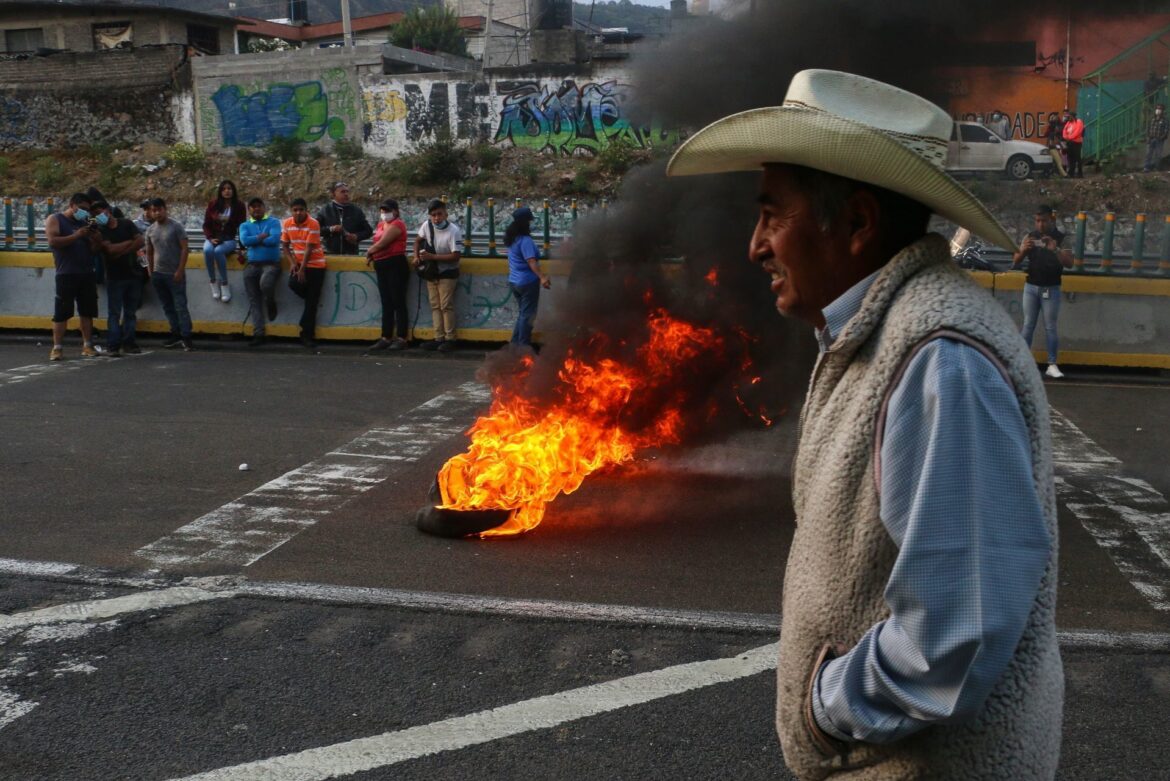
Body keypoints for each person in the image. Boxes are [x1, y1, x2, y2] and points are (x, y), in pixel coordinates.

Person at [667, 70, 1062, 780]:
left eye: (772, 215)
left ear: (855, 222)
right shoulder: (873, 336)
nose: (755, 246)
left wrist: (822, 709)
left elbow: (954, 636)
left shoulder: (941, 362)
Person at [1012, 205, 1074, 379]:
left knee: (1050, 327)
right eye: (1037, 221)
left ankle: (1052, 364)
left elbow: (1069, 262)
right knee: (1028, 325)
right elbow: (1015, 261)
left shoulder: (1061, 238)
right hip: (1031, 286)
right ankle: (1022, 363)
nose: (1040, 225)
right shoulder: (1030, 236)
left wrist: (1054, 249)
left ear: (1051, 220)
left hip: (1051, 287)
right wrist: (1024, 250)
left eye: (1044, 221)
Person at [45, 192, 100, 361]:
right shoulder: (55, 219)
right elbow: (53, 241)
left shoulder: (87, 223)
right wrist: (76, 236)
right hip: (66, 273)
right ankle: (57, 347)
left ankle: (87, 345)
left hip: (86, 272)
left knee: (87, 311)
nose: (84, 212)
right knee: (62, 312)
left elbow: (95, 250)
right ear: (72, 205)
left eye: (87, 210)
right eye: (82, 209)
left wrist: (94, 238)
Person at [92, 201, 143, 358]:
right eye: (95, 216)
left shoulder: (126, 223)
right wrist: (129, 243)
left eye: (100, 213)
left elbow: (140, 241)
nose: (98, 217)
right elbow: (109, 249)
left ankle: (129, 343)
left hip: (133, 274)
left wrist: (121, 250)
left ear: (108, 211)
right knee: (114, 313)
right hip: (114, 276)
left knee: (130, 312)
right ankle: (113, 345)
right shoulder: (101, 231)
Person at [413, 198, 463, 353]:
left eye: (439, 214)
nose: (436, 218)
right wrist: (416, 256)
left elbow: (456, 256)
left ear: (446, 214)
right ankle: (438, 337)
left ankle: (450, 338)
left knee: (446, 305)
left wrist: (432, 257)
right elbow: (417, 241)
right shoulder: (427, 226)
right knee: (435, 305)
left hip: (447, 272)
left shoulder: (454, 231)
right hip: (432, 272)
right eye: (433, 215)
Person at [145, 198, 193, 351]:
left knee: (180, 306)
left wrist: (180, 270)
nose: (157, 213)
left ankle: (186, 336)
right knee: (167, 306)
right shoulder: (150, 230)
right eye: (154, 210)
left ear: (165, 209)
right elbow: (150, 252)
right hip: (158, 274)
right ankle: (175, 333)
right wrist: (150, 271)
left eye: (160, 209)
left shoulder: (176, 227)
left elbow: (185, 248)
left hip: (174, 273)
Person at [364, 199, 410, 352]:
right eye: (383, 211)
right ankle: (386, 336)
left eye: (388, 210)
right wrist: (373, 254)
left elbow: (383, 243)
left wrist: (370, 252)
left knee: (398, 301)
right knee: (386, 302)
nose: (385, 214)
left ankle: (402, 337)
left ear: (396, 211)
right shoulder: (380, 225)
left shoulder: (398, 225)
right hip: (381, 264)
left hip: (395, 264)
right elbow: (377, 242)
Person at [282, 197, 327, 349]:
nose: (298, 213)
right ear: (291, 211)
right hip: (300, 263)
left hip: (315, 265)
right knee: (294, 285)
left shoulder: (313, 223)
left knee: (312, 303)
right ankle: (306, 323)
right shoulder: (287, 223)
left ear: (306, 210)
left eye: (301, 210)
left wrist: (302, 269)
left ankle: (307, 335)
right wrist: (293, 263)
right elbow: (285, 246)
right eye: (295, 210)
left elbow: (309, 248)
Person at [238, 197, 283, 347]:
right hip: (252, 265)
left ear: (264, 208)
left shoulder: (274, 222)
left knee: (266, 284)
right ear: (249, 210)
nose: (256, 209)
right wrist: (261, 237)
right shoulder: (244, 225)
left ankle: (270, 301)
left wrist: (255, 240)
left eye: (259, 206)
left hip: (271, 264)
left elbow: (275, 240)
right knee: (253, 300)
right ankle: (259, 333)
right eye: (253, 207)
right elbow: (244, 241)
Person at [504, 205, 551, 348]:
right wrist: (542, 277)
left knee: (523, 314)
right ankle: (523, 347)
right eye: (529, 222)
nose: (531, 224)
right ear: (525, 223)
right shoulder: (525, 241)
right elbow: (531, 261)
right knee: (528, 315)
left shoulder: (512, 238)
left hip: (514, 281)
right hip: (527, 283)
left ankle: (515, 344)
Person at [201, 179, 247, 303]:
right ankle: (213, 281)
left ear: (233, 191)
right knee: (207, 250)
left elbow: (242, 227)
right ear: (220, 191)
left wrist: (242, 247)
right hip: (213, 237)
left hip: (229, 240)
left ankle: (225, 284)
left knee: (218, 251)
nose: (227, 191)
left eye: (229, 188)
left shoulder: (239, 206)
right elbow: (206, 225)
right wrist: (210, 238)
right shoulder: (213, 204)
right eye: (224, 189)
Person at [316, 181, 373, 256]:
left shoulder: (356, 211)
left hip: (351, 254)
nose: (346, 194)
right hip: (330, 254)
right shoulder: (325, 210)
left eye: (347, 191)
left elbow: (368, 231)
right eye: (342, 192)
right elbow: (315, 229)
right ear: (334, 194)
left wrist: (356, 236)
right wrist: (330, 229)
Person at [1144, 103, 1168, 173]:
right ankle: (1146, 168)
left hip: (1159, 140)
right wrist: (1148, 137)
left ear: (1163, 111)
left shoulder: (1165, 121)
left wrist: (1161, 138)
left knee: (1158, 155)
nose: (1158, 110)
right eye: (1157, 108)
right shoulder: (1152, 119)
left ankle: (1156, 168)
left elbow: (1166, 131)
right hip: (1151, 139)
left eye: (1160, 109)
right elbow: (1148, 129)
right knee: (1148, 154)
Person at [1043, 111, 1068, 177]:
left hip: (1056, 146)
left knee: (1059, 161)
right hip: (1055, 146)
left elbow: (1046, 135)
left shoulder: (1058, 127)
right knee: (1059, 161)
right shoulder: (1054, 131)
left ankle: (1059, 173)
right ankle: (1062, 173)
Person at [1062, 110, 1084, 177]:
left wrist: (1070, 137)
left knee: (1077, 158)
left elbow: (1078, 132)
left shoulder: (1079, 122)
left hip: (1076, 142)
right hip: (1069, 142)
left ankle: (1080, 173)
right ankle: (1071, 173)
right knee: (1070, 158)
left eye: (1069, 116)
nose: (1068, 118)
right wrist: (1065, 137)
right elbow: (1064, 131)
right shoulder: (1068, 123)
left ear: (1073, 116)